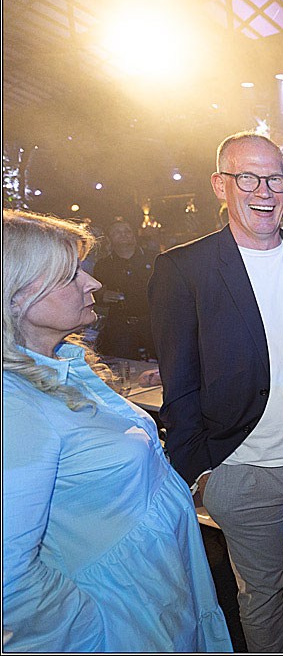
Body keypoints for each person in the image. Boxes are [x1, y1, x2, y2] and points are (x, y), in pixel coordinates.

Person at [148, 131, 283, 652]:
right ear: (220, 185)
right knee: (262, 597)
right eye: (248, 178)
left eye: (276, 180)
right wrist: (201, 471)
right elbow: (179, 381)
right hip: (240, 468)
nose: (265, 192)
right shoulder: (184, 269)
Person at [2, 209, 232, 652]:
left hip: (154, 593)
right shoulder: (13, 405)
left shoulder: (64, 363)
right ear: (15, 296)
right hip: (121, 617)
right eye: (71, 275)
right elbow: (10, 582)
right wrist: (92, 631)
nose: (92, 283)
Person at [93, 217, 155, 360]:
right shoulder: (103, 265)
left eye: (127, 231)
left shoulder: (154, 258)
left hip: (152, 323)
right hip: (121, 327)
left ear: (134, 235)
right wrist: (102, 296)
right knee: (124, 364)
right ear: (109, 239)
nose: (123, 235)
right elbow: (94, 294)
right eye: (117, 232)